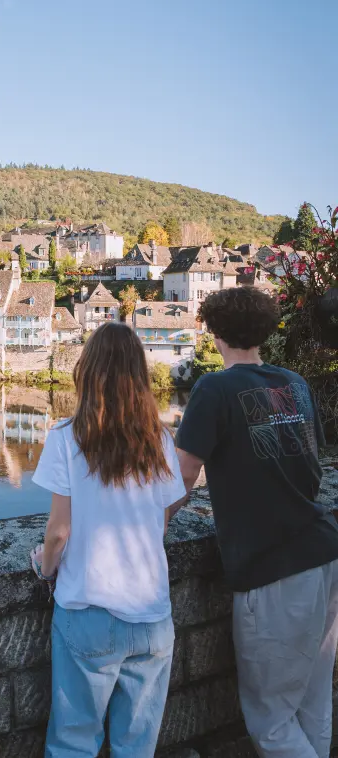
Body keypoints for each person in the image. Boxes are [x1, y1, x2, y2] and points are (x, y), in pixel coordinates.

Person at [176, 287, 338, 758]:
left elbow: (182, 474)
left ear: (214, 332)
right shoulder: (295, 383)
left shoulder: (214, 388)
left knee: (271, 722)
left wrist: (150, 525)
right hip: (324, 553)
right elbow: (313, 461)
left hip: (273, 567)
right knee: (313, 703)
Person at [30, 322, 186, 757]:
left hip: (89, 611)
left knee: (73, 743)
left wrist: (46, 567)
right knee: (137, 747)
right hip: (151, 616)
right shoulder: (159, 440)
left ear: (88, 371)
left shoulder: (66, 437)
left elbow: (59, 532)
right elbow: (163, 518)